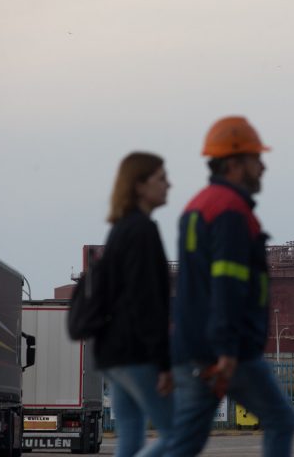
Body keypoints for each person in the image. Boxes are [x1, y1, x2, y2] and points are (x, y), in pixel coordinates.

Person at [168, 116, 294, 457]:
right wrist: (226, 351)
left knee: (184, 443)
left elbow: (194, 286)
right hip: (227, 351)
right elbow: (227, 285)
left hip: (191, 345)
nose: (262, 167)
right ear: (234, 163)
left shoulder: (195, 208)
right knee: (281, 418)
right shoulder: (231, 212)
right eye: (257, 159)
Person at [94, 152, 173, 457]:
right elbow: (147, 304)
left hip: (111, 354)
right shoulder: (142, 230)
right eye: (161, 178)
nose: (169, 184)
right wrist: (163, 363)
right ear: (139, 185)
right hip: (136, 354)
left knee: (130, 438)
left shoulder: (119, 230)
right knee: (179, 434)